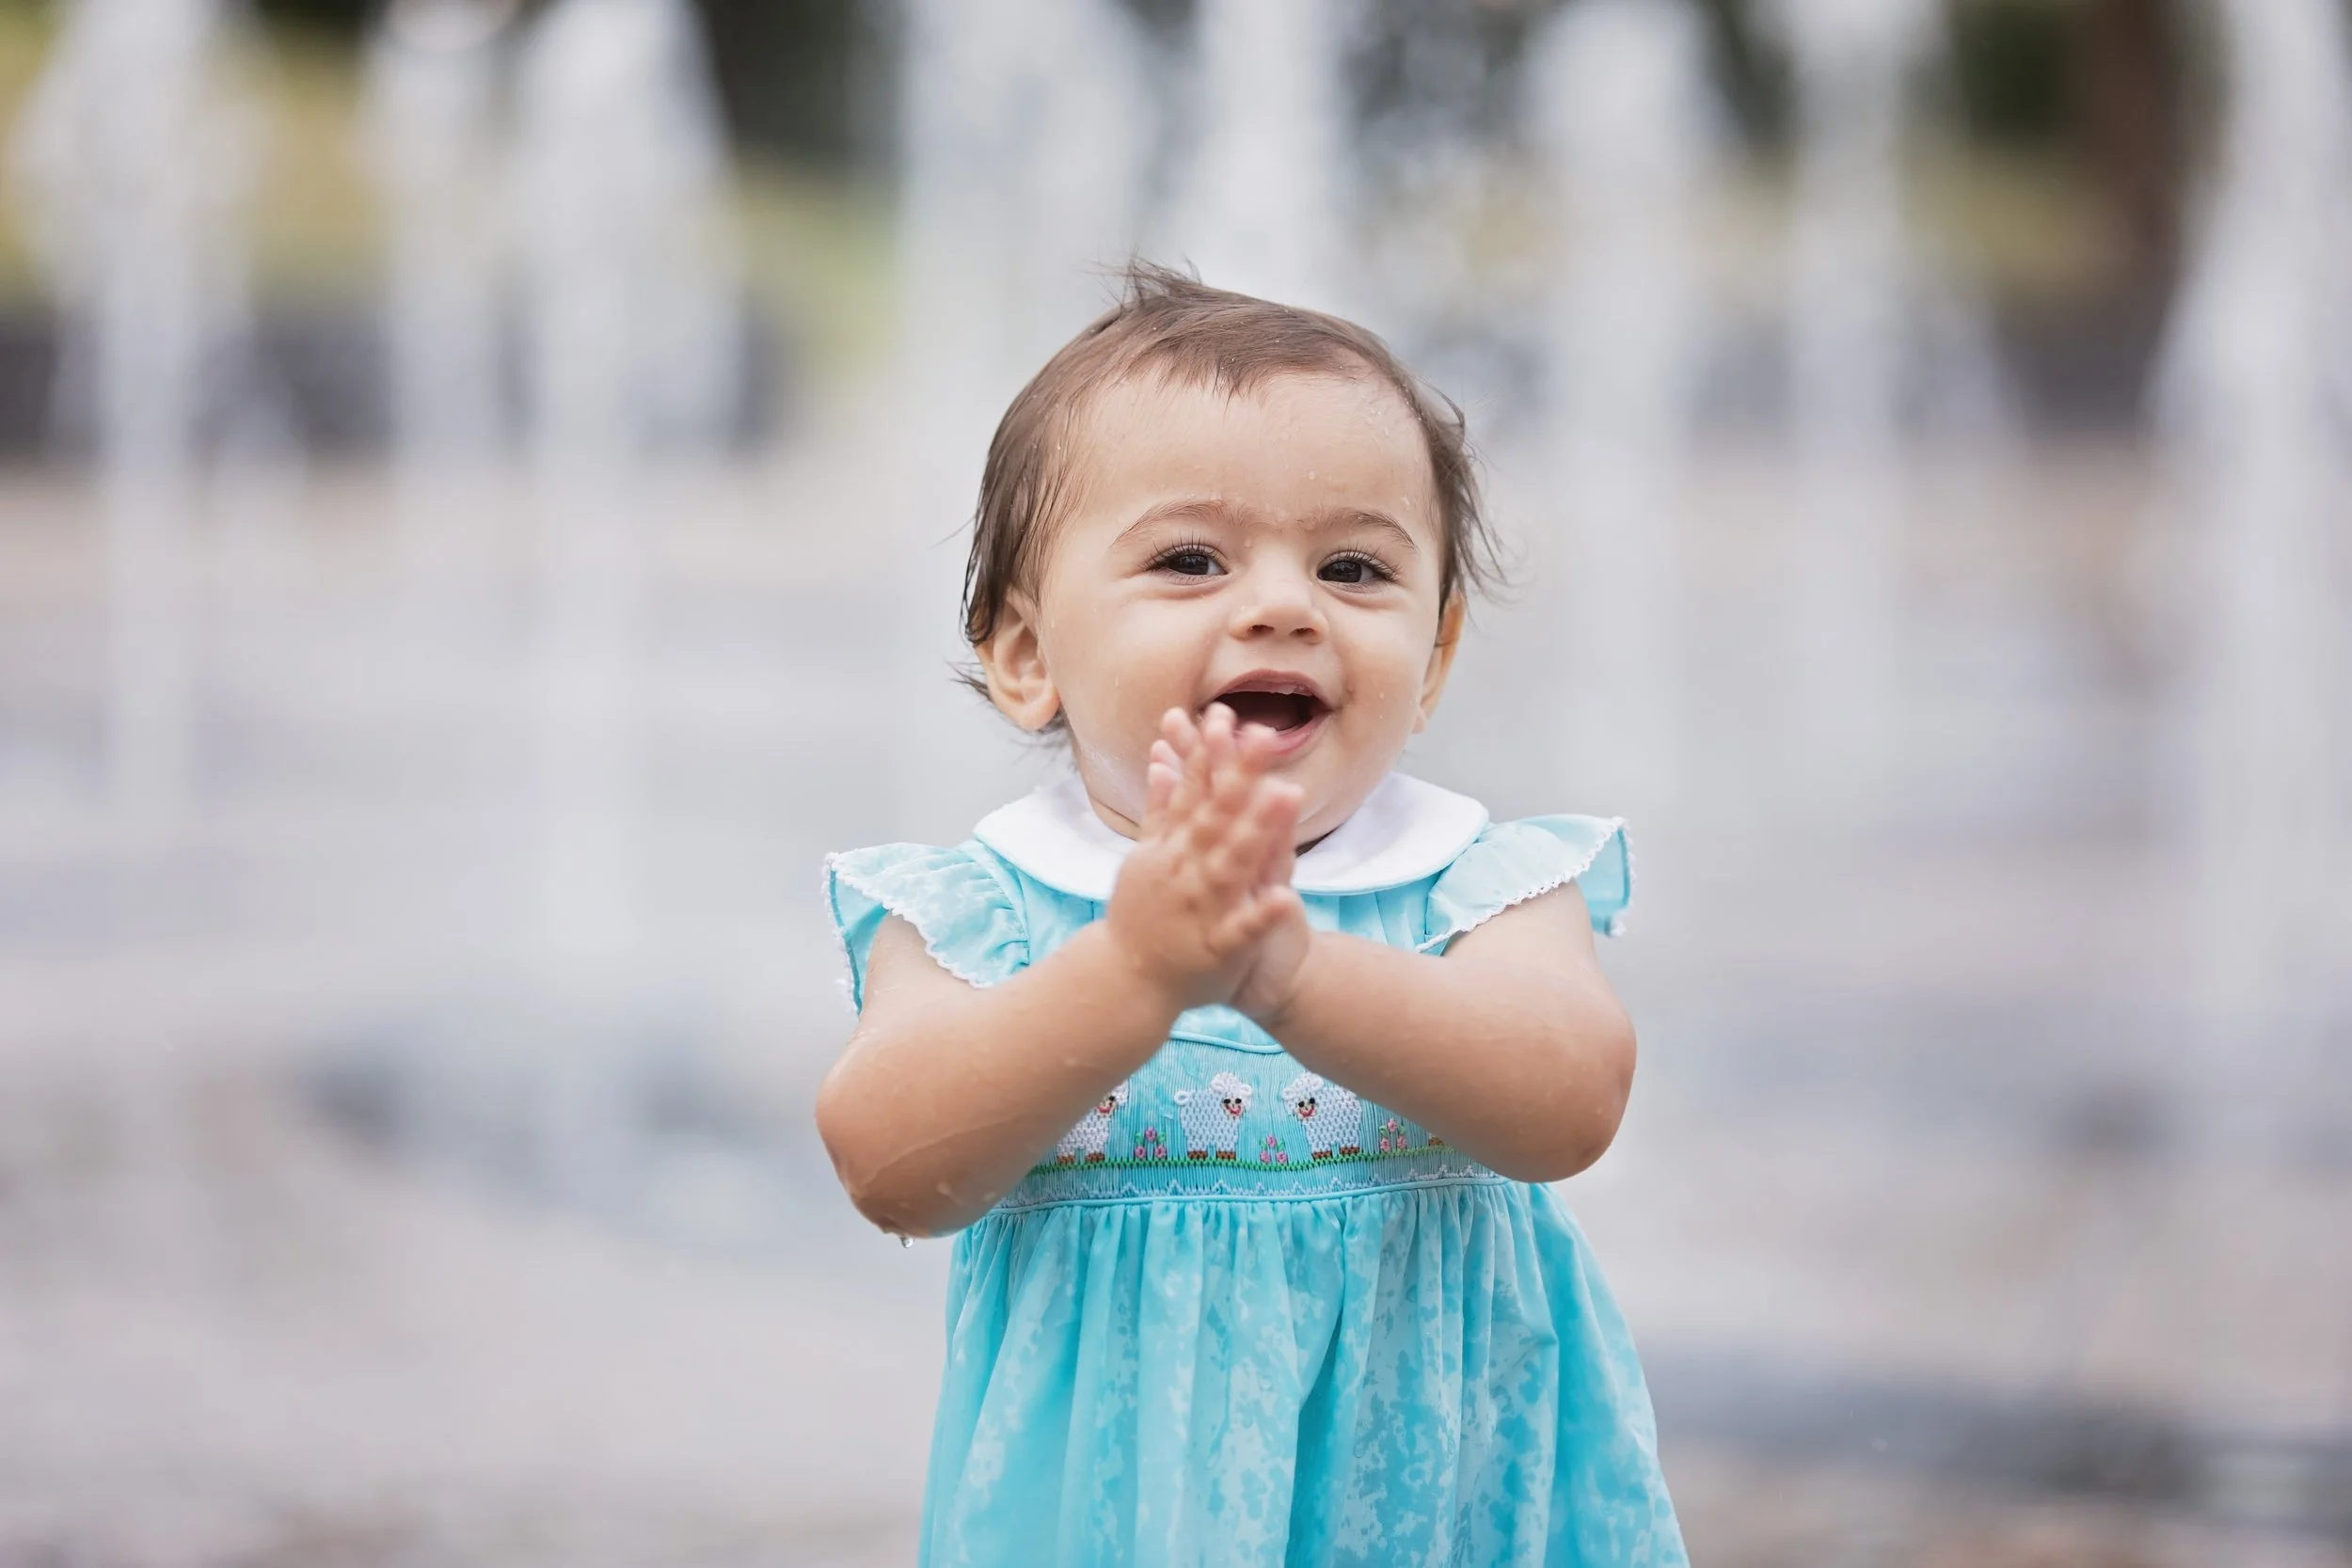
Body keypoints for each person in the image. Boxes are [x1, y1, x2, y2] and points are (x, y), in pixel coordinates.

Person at [817, 264, 1685, 1566]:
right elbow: (892, 1162)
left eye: (1353, 565)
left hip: (1437, 1516)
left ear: (1436, 656)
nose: (1283, 603)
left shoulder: (1480, 884)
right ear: (1027, 655)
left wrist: (1288, 971)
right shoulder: (983, 912)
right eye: (1189, 559)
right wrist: (1133, 969)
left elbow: (1569, 1103)